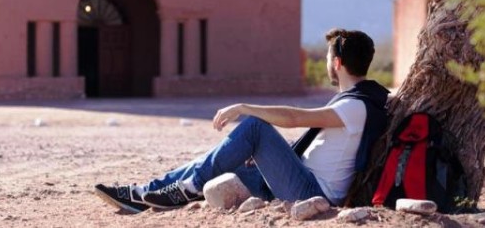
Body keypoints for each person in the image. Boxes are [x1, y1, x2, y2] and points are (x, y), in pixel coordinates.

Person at [93, 28, 389, 213]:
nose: (326, 63)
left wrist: (245, 107)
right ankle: (141, 194)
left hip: (311, 192)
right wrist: (269, 156)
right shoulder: (357, 101)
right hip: (299, 177)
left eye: (328, 58)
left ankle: (188, 187)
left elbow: (295, 117)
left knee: (254, 126)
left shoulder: (355, 106)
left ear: (337, 63)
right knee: (216, 160)